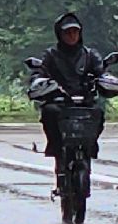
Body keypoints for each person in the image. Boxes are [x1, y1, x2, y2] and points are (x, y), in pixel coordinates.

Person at [36, 12, 111, 185]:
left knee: (97, 111)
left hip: (84, 102)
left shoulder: (89, 55)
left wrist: (106, 81)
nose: (71, 36)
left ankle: (91, 145)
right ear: (60, 34)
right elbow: (39, 74)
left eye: (75, 32)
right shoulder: (50, 55)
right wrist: (42, 84)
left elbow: (101, 72)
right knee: (49, 111)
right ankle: (56, 148)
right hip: (60, 103)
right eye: (67, 32)